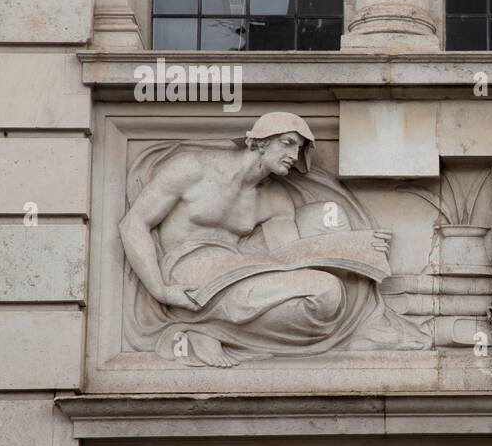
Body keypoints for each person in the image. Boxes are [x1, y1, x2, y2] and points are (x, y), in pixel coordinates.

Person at [119, 112, 393, 367]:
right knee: (323, 291)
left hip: (238, 264)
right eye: (287, 143)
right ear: (259, 141)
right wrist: (161, 290)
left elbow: (290, 258)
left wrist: (356, 246)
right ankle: (204, 328)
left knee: (327, 291)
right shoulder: (193, 168)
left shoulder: (273, 199)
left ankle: (214, 329)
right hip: (190, 267)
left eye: (298, 149)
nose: (293, 155)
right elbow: (134, 224)